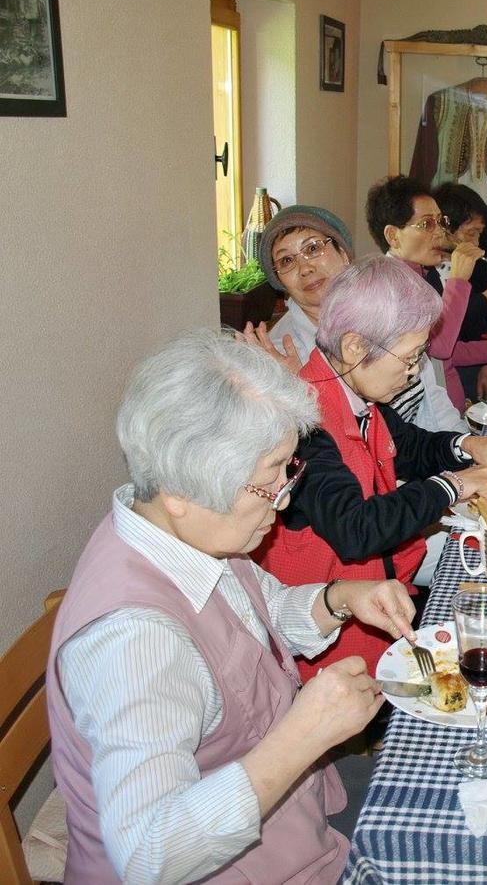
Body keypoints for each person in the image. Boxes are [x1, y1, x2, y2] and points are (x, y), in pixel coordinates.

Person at [47, 329, 416, 883]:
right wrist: (304, 734)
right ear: (180, 488)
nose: (286, 498)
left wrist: (340, 599)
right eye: (270, 479)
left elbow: (259, 614)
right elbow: (152, 855)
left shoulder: (178, 530)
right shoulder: (135, 641)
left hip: (300, 816)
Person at [257, 256, 487, 681]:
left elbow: (410, 445)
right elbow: (355, 529)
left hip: (377, 602)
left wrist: (469, 444)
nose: (415, 371)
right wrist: (452, 485)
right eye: (409, 357)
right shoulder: (304, 423)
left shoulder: (352, 390)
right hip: (327, 644)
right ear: (354, 347)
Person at [240, 204, 466, 434]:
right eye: (286, 261)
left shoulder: (387, 307)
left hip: (434, 454)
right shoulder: (281, 355)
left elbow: (432, 395)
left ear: (344, 253)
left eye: (313, 247)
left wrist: (462, 445)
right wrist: (304, 390)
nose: (305, 267)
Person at [365, 175, 487, 411]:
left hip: (449, 408)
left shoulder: (426, 274)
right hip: (427, 422)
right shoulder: (389, 288)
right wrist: (458, 279)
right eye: (427, 224)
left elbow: (446, 354)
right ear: (393, 236)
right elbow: (441, 348)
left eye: (440, 221)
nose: (439, 233)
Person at [431, 182, 487, 402]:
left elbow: (476, 325)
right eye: (471, 233)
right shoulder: (426, 270)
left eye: (480, 233)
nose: (477, 242)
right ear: (445, 228)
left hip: (465, 357)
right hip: (439, 372)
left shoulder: (474, 266)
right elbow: (441, 333)